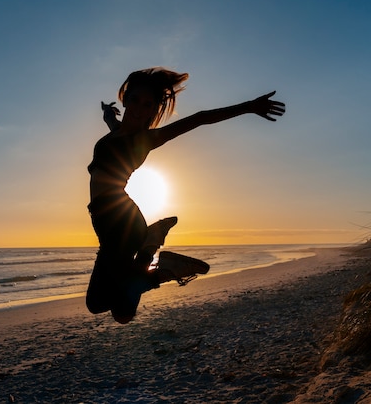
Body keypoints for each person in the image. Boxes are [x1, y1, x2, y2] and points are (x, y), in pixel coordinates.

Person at [86, 67, 285, 324]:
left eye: (148, 105)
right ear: (125, 98)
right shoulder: (115, 131)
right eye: (134, 100)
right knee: (122, 312)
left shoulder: (147, 139)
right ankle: (152, 242)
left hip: (119, 222)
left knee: (97, 303)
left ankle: (165, 267)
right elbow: (113, 123)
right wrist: (106, 112)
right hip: (107, 221)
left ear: (155, 111)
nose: (138, 108)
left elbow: (201, 118)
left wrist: (249, 106)